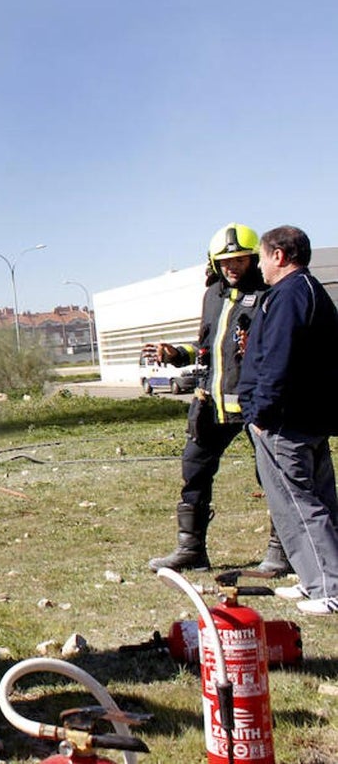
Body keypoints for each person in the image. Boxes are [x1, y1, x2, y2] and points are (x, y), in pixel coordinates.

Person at [143, 223, 288, 573]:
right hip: (211, 404)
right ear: (214, 263)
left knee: (272, 478)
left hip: (255, 407)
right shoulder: (212, 295)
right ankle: (191, 550)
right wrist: (176, 353)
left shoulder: (270, 295)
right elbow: (207, 347)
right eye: (225, 261)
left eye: (239, 260)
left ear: (254, 260)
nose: (232, 267)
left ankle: (282, 552)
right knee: (194, 473)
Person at [237, 225, 338, 615]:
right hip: (308, 420)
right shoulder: (308, 291)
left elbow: (278, 357)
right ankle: (315, 578)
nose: (260, 267)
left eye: (262, 257)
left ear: (279, 255)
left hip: (285, 422)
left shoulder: (289, 294)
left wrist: (260, 412)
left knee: (298, 505)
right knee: (321, 501)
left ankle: (328, 588)